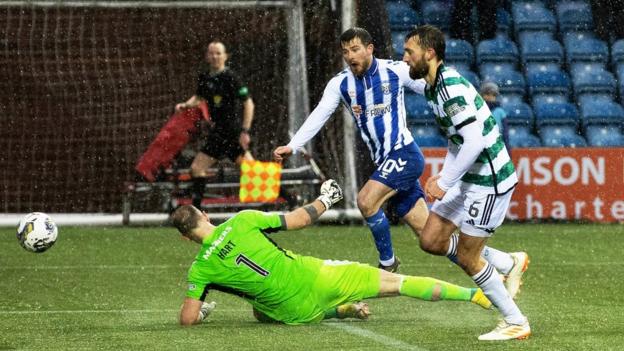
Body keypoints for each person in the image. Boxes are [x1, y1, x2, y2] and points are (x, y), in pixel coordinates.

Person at [272, 27, 526, 290]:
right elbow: (320, 114)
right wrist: (293, 145)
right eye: (345, 51)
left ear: (370, 49)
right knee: (431, 238)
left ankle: (387, 263)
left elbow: (434, 82)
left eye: (356, 49)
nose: (350, 56)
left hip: (404, 154)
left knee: (366, 201)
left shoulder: (394, 71)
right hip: (385, 163)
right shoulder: (340, 84)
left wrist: (464, 106)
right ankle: (507, 263)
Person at [172, 179, 493, 326]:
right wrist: (327, 198)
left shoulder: (200, 270)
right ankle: (474, 296)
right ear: (205, 215)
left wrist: (200, 313)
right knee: (399, 284)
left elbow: (187, 318)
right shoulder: (243, 220)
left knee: (260, 309)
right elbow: (299, 219)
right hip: (318, 277)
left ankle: (339, 311)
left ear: (187, 239)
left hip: (292, 313)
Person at [402, 25, 530, 341]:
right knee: (431, 239)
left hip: (489, 180)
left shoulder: (450, 89)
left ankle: (515, 321)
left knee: (467, 257)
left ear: (429, 54)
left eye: (409, 52)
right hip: (468, 178)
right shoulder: (432, 88)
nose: (405, 59)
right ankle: (507, 261)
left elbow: (473, 142)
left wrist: (446, 181)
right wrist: (449, 177)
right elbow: (458, 141)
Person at [175, 41, 255, 209]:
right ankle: (196, 212)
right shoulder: (205, 78)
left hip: (230, 132)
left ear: (225, 56)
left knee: (253, 174)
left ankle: (292, 199)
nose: (215, 56)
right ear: (207, 57)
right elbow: (198, 97)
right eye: (212, 53)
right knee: (198, 168)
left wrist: (245, 131)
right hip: (218, 132)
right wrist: (185, 105)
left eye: (218, 53)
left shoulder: (231, 78)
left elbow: (248, 103)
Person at [480, 81, 510, 155]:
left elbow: (505, 133)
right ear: (482, 95)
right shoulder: (478, 110)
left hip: (496, 147)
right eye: (487, 94)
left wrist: (507, 150)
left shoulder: (500, 112)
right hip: (481, 146)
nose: (490, 97)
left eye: (493, 95)